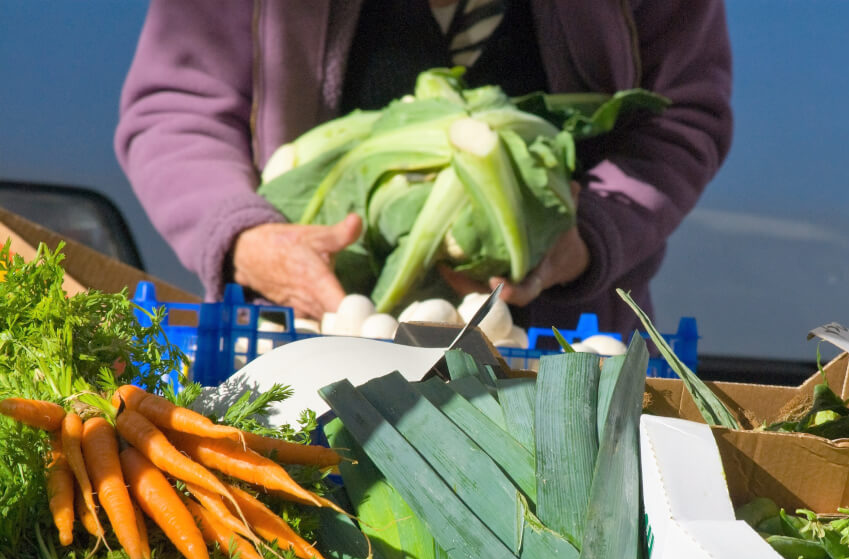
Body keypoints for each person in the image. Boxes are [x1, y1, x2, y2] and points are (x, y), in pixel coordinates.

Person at [114, 0, 733, 337]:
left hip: (558, 352)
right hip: (306, 339)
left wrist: (586, 238)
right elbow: (176, 108)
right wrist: (247, 240)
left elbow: (681, 117)